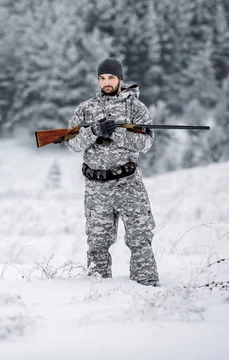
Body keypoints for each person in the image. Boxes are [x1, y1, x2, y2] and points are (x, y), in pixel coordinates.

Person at [64, 58, 159, 286]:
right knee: (97, 243)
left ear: (120, 79)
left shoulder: (136, 108)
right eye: (102, 78)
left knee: (140, 237)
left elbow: (145, 143)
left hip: (128, 185)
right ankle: (97, 291)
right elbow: (71, 143)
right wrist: (94, 131)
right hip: (96, 188)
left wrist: (116, 133)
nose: (106, 82)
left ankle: (147, 286)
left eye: (111, 78)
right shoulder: (86, 109)